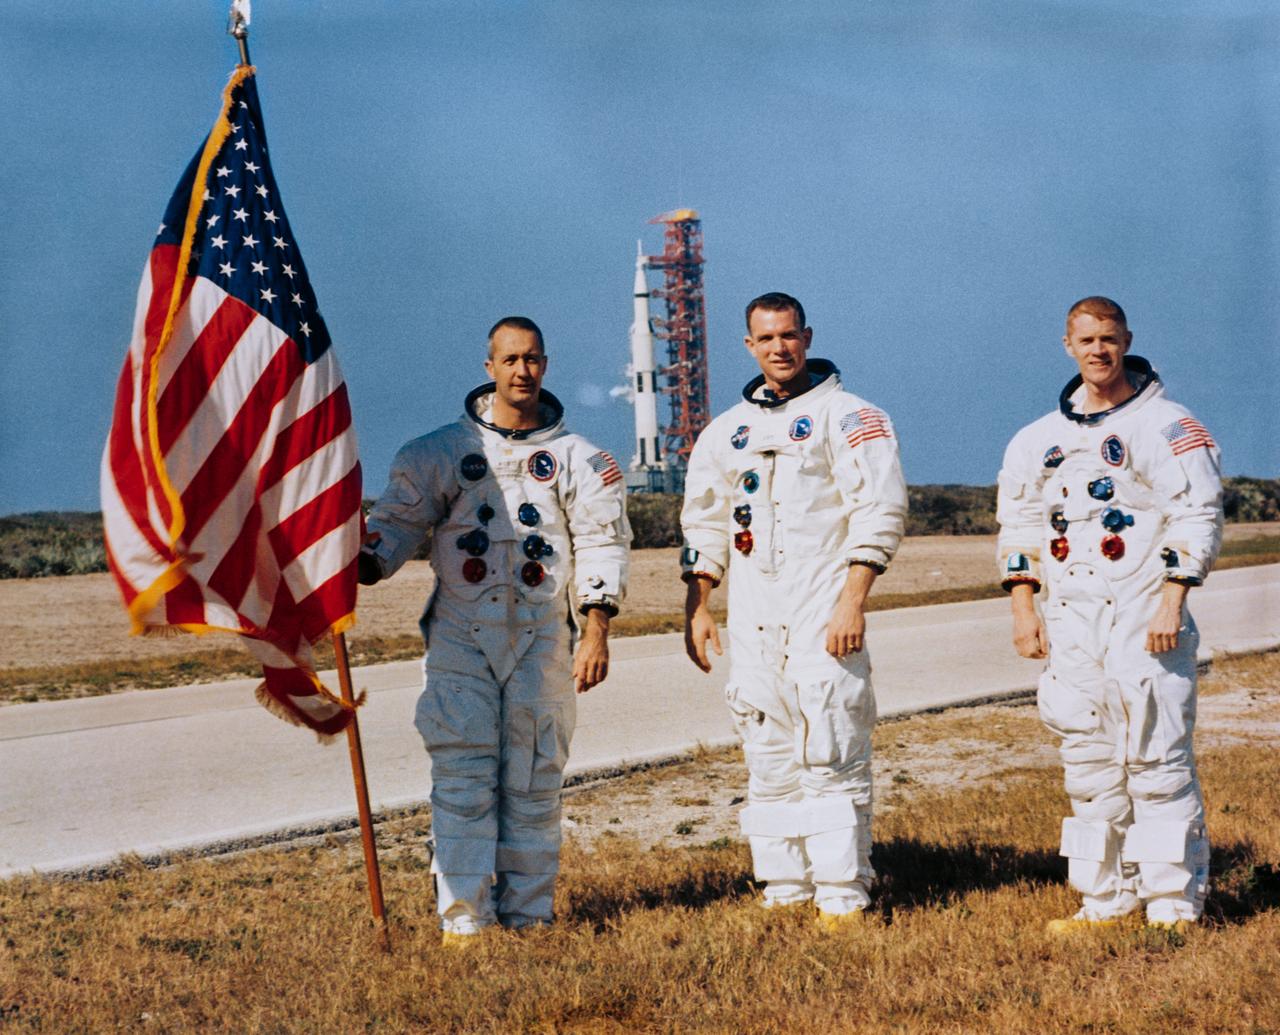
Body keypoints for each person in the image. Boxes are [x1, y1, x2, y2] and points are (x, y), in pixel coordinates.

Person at [359, 316, 630, 941]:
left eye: (531, 359)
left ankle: (530, 917)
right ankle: (466, 922)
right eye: (509, 360)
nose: (521, 371)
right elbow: (395, 526)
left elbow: (602, 543)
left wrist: (596, 629)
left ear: (545, 365)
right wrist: (359, 560)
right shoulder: (437, 453)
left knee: (534, 779)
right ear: (489, 367)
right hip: (461, 633)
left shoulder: (582, 459)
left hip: (542, 633)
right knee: (462, 778)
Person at [996, 296, 1223, 933]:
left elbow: (1197, 515)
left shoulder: (1169, 427)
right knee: (1089, 762)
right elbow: (1019, 525)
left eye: (1108, 338)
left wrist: (1173, 600)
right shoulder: (1038, 439)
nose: (1098, 350)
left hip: (1144, 613)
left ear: (1126, 341)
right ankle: (1104, 897)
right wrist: (1024, 608)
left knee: (1155, 757)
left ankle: (1173, 902)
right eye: (1086, 339)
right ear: (1067, 345)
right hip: (1072, 619)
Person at [681, 292, 908, 926]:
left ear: (806, 337)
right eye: (766, 338)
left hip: (823, 606)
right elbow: (704, 521)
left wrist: (852, 602)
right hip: (755, 612)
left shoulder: (851, 417)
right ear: (749, 345)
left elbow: (879, 510)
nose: (779, 348)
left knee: (830, 746)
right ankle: (785, 887)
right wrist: (699, 606)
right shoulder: (726, 432)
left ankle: (841, 892)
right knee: (768, 752)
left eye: (788, 335)